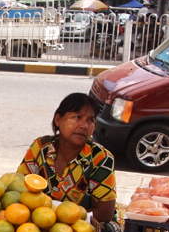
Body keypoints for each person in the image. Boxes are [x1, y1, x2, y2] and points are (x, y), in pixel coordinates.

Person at [18, 93, 117, 224]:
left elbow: (105, 214)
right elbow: (19, 187)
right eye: (77, 117)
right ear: (58, 119)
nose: (84, 125)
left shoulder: (101, 158)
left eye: (90, 120)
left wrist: (59, 220)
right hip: (40, 225)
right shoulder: (41, 147)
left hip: (83, 229)